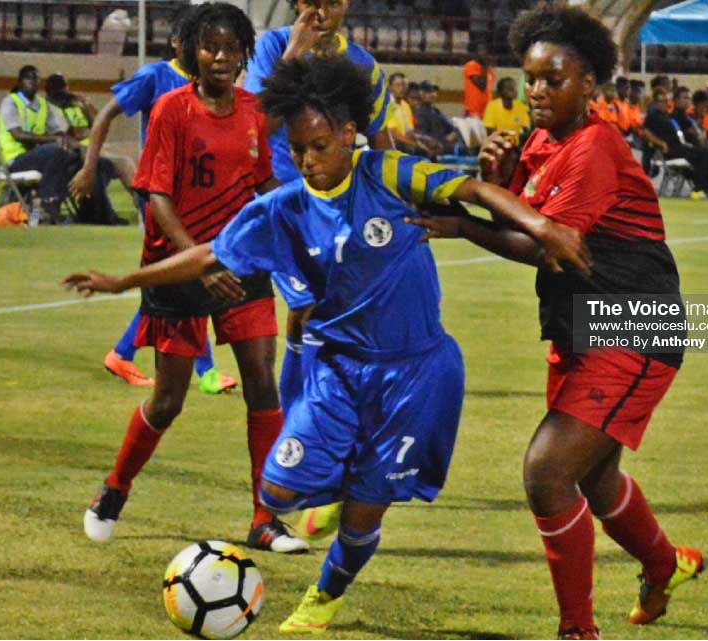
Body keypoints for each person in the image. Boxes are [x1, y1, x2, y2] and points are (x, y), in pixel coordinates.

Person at [62, 55, 588, 634]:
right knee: (279, 492)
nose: (307, 162)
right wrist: (122, 282)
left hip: (416, 375)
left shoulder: (390, 174)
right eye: (297, 150)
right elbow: (209, 253)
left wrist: (543, 227)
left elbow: (479, 190)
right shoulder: (282, 207)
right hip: (337, 371)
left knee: (364, 515)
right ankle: (346, 483)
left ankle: (326, 596)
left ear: (347, 133)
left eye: (318, 146)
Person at [410, 7, 703, 639]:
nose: (539, 92)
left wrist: (463, 222)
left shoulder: (595, 146)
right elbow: (521, 213)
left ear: (590, 83)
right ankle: (664, 565)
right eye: (533, 79)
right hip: (581, 324)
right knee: (595, 480)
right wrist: (496, 175)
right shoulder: (544, 143)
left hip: (634, 327)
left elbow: (549, 245)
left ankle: (578, 631)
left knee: (547, 472)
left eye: (555, 80)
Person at [75, 2, 307, 554]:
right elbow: (156, 195)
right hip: (178, 268)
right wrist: (199, 263)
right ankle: (113, 489)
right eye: (211, 46)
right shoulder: (172, 111)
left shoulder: (251, 112)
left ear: (243, 52)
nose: (221, 57)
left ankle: (264, 518)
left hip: (239, 265)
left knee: (261, 381)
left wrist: (301, 216)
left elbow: (262, 182)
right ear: (191, 51)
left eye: (231, 47)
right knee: (169, 401)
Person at [69, 5, 235, 393]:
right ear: (178, 41)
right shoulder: (155, 76)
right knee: (191, 274)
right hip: (161, 196)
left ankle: (123, 353)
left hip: (197, 198)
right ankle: (204, 371)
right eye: (195, 38)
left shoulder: (208, 83)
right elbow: (105, 116)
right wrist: (90, 167)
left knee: (173, 283)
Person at [242, 0, 392, 418]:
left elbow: (380, 141)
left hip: (339, 206)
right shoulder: (273, 48)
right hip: (282, 201)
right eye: (312, 0)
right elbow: (251, 131)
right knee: (308, 304)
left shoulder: (362, 65)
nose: (322, 11)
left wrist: (398, 202)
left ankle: (312, 401)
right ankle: (302, 412)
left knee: (333, 307)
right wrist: (293, 56)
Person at [0, 65, 80, 223]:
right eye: (29, 78)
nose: (33, 82)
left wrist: (67, 140)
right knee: (57, 150)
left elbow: (56, 132)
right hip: (15, 159)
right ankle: (47, 200)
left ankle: (58, 202)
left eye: (36, 79)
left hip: (39, 157)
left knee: (73, 155)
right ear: (20, 82)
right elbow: (18, 135)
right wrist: (54, 140)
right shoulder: (10, 102)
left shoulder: (43, 105)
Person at [44, 73, 126, 226]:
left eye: (63, 86)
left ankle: (100, 214)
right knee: (106, 165)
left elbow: (99, 124)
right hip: (75, 153)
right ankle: (105, 215)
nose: (63, 91)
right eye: (57, 87)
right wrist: (85, 134)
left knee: (110, 164)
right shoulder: (49, 109)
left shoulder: (76, 105)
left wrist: (87, 105)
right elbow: (70, 134)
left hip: (91, 148)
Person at [644, 88, 708, 197]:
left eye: (666, 100)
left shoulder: (667, 116)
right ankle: (699, 189)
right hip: (671, 150)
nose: (666, 103)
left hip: (680, 147)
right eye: (662, 101)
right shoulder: (653, 116)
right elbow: (646, 132)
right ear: (655, 103)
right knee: (703, 154)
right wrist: (661, 143)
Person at [385, 71, 438, 158]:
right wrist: (416, 145)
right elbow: (393, 135)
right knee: (413, 149)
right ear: (390, 87)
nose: (402, 88)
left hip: (404, 141)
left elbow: (410, 133)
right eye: (398, 85)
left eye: (404, 85)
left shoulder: (405, 106)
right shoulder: (388, 105)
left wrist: (422, 144)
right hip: (392, 142)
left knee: (432, 146)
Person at [414, 81, 464, 155]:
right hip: (433, 150)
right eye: (429, 92)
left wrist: (454, 133)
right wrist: (444, 140)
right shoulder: (419, 112)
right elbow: (423, 136)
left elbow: (450, 127)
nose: (433, 94)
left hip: (445, 147)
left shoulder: (435, 111)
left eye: (434, 91)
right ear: (421, 94)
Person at [482, 77, 530, 142]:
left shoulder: (520, 106)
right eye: (508, 87)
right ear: (500, 91)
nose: (513, 89)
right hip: (498, 145)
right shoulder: (492, 106)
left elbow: (526, 129)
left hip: (516, 146)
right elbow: (490, 131)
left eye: (514, 87)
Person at [462, 41, 496, 118]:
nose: (484, 53)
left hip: (487, 112)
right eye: (481, 50)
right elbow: (482, 86)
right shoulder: (470, 66)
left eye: (486, 51)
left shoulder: (490, 70)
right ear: (475, 53)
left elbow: (488, 90)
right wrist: (484, 66)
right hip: (473, 113)